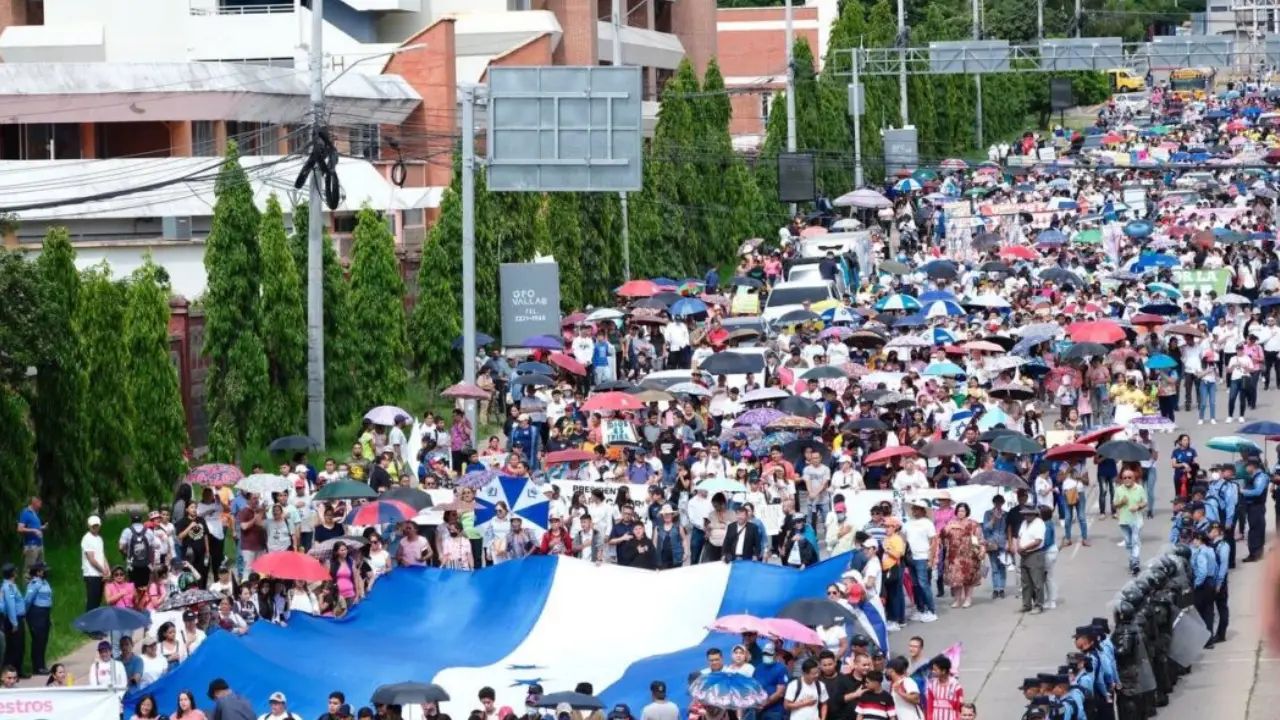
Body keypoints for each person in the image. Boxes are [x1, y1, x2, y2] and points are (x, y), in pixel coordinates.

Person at [940, 503, 982, 609]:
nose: (960, 513)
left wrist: (980, 550)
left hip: (969, 554)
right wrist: (947, 528)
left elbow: (978, 539)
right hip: (954, 555)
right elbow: (942, 535)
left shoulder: (973, 524)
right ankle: (957, 600)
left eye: (963, 511)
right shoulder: (951, 523)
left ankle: (968, 599)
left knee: (968, 578)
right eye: (959, 511)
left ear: (967, 512)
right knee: (956, 578)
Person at [903, 500, 938, 623]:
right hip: (911, 557)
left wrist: (931, 558)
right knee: (915, 584)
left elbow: (933, 541)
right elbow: (904, 538)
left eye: (917, 509)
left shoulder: (927, 523)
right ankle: (920, 608)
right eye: (914, 509)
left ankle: (931, 610)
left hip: (923, 556)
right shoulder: (908, 523)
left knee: (924, 584)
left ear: (923, 511)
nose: (915, 511)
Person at [1113, 467, 1148, 575]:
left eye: (1129, 477)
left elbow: (1145, 502)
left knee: (1135, 540)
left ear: (1133, 478)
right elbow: (1115, 504)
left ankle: (1135, 562)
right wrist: (1121, 502)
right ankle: (1132, 560)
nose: (1127, 479)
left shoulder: (1139, 488)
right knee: (1128, 542)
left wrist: (1138, 506)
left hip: (1136, 519)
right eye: (1125, 478)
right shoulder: (1119, 490)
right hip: (1124, 520)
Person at [1016, 504, 1047, 614]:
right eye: (1025, 514)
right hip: (1024, 554)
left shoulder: (1039, 523)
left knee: (1037, 582)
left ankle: (1039, 605)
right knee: (1025, 582)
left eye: (1028, 514)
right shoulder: (1024, 523)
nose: (1026, 516)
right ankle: (1026, 604)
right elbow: (1019, 536)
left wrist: (1024, 548)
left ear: (1034, 514)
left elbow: (1038, 541)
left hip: (1035, 554)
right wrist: (1018, 546)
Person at [24, 561, 52, 674]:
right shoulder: (34, 584)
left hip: (45, 613)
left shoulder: (45, 582)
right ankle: (37, 667)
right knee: (38, 640)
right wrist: (24, 614)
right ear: (38, 572)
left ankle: (42, 664)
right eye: (43, 570)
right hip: (36, 613)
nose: (46, 572)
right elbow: (28, 600)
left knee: (44, 640)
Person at [0, 563, 26, 675]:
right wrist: (14, 623)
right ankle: (11, 672)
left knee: (19, 646)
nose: (16, 572)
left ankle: (18, 670)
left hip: (17, 618)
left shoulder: (12, 585)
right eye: (15, 570)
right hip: (13, 620)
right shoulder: (8, 587)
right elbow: (11, 606)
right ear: (12, 573)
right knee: (14, 647)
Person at [925, 655, 963, 720]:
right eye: (932, 669)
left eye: (935, 670)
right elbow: (929, 704)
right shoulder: (932, 685)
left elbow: (960, 706)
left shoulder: (956, 686)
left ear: (943, 671)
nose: (933, 672)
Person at [82, 514, 107, 612]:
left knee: (98, 601)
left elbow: (102, 555)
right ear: (89, 526)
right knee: (92, 601)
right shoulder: (87, 538)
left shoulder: (99, 539)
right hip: (91, 574)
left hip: (100, 573)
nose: (95, 528)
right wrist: (102, 570)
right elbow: (91, 559)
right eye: (93, 526)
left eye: (97, 526)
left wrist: (107, 569)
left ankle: (97, 620)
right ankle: (89, 620)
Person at [17, 496, 45, 575]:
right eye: (39, 504)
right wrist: (34, 530)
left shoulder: (35, 513)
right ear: (34, 503)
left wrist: (42, 527)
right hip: (31, 546)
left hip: (39, 544)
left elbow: (35, 527)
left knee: (40, 568)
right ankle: (27, 582)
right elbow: (20, 528)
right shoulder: (26, 513)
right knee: (29, 570)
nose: (40, 506)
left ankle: (38, 582)